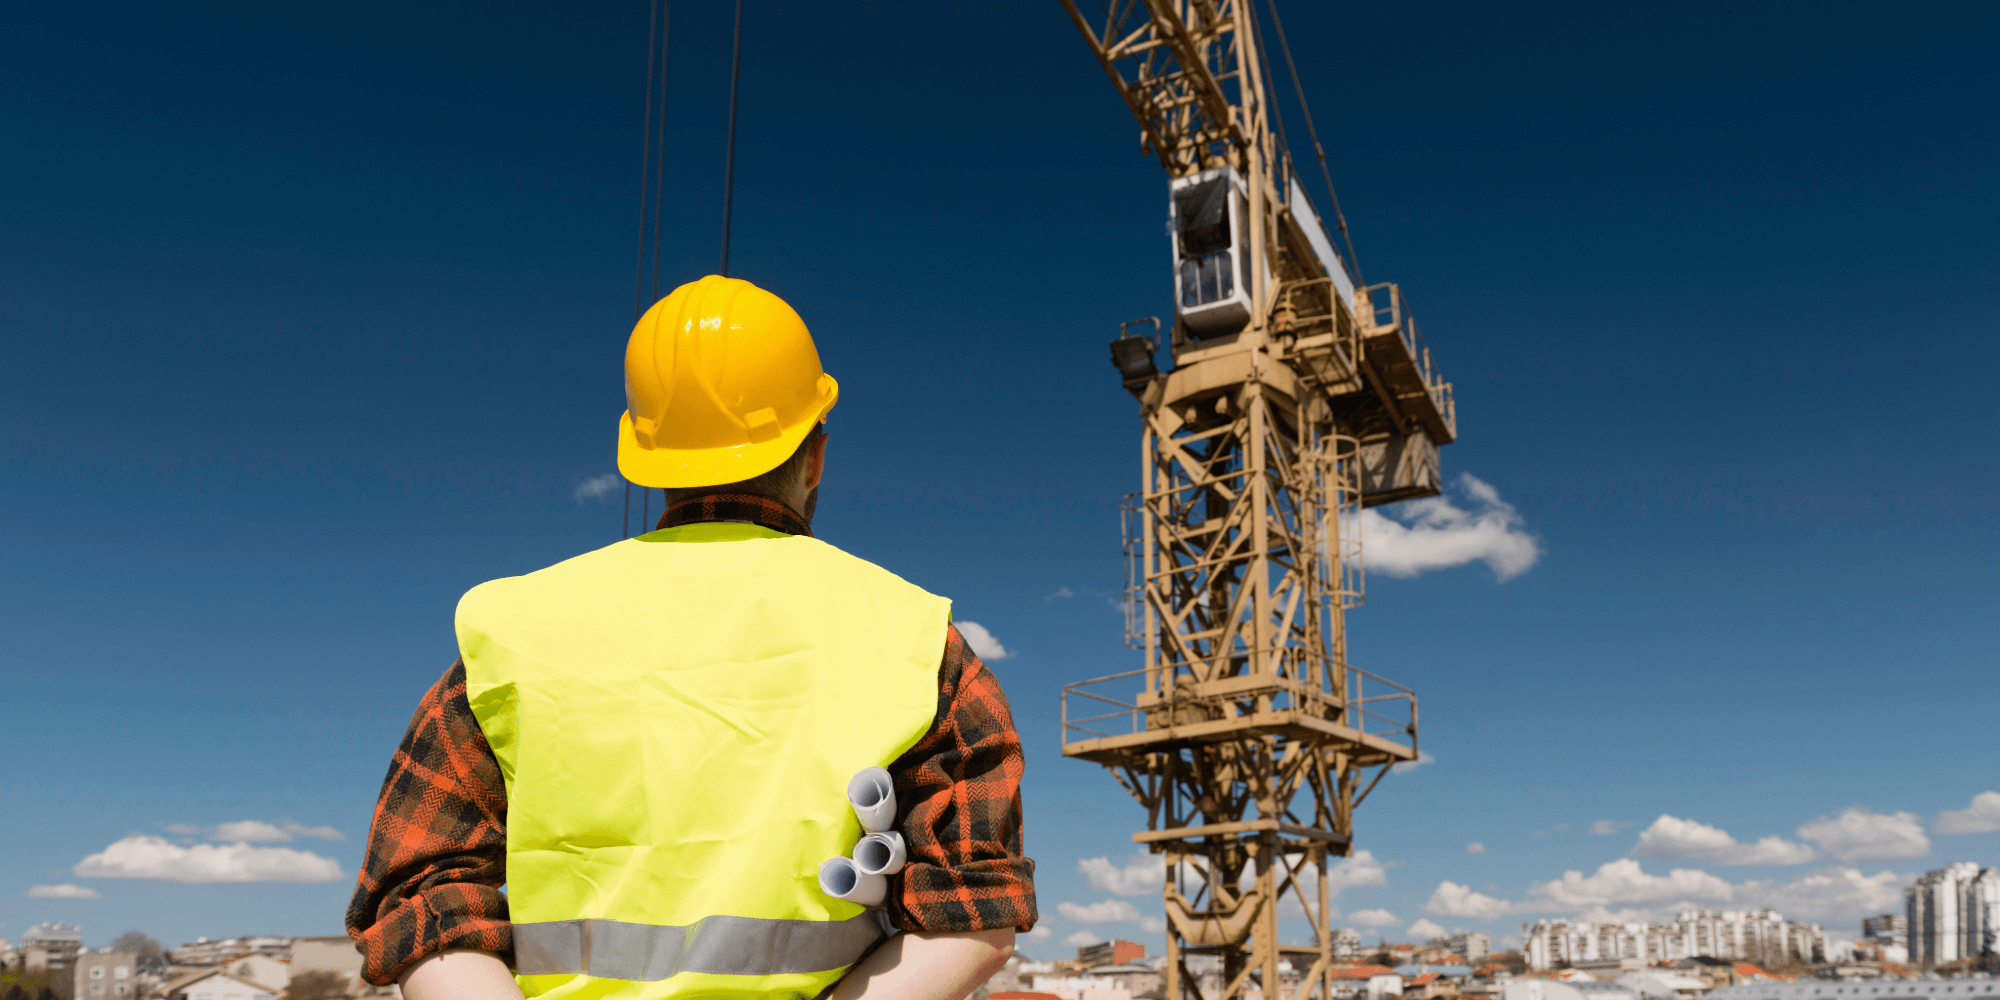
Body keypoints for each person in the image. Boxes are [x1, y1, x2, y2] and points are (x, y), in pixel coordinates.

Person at [345, 276, 1037, 1000]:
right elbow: (975, 915)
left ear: (644, 457)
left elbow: (423, 893)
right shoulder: (916, 640)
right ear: (816, 458)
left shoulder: (512, 632)